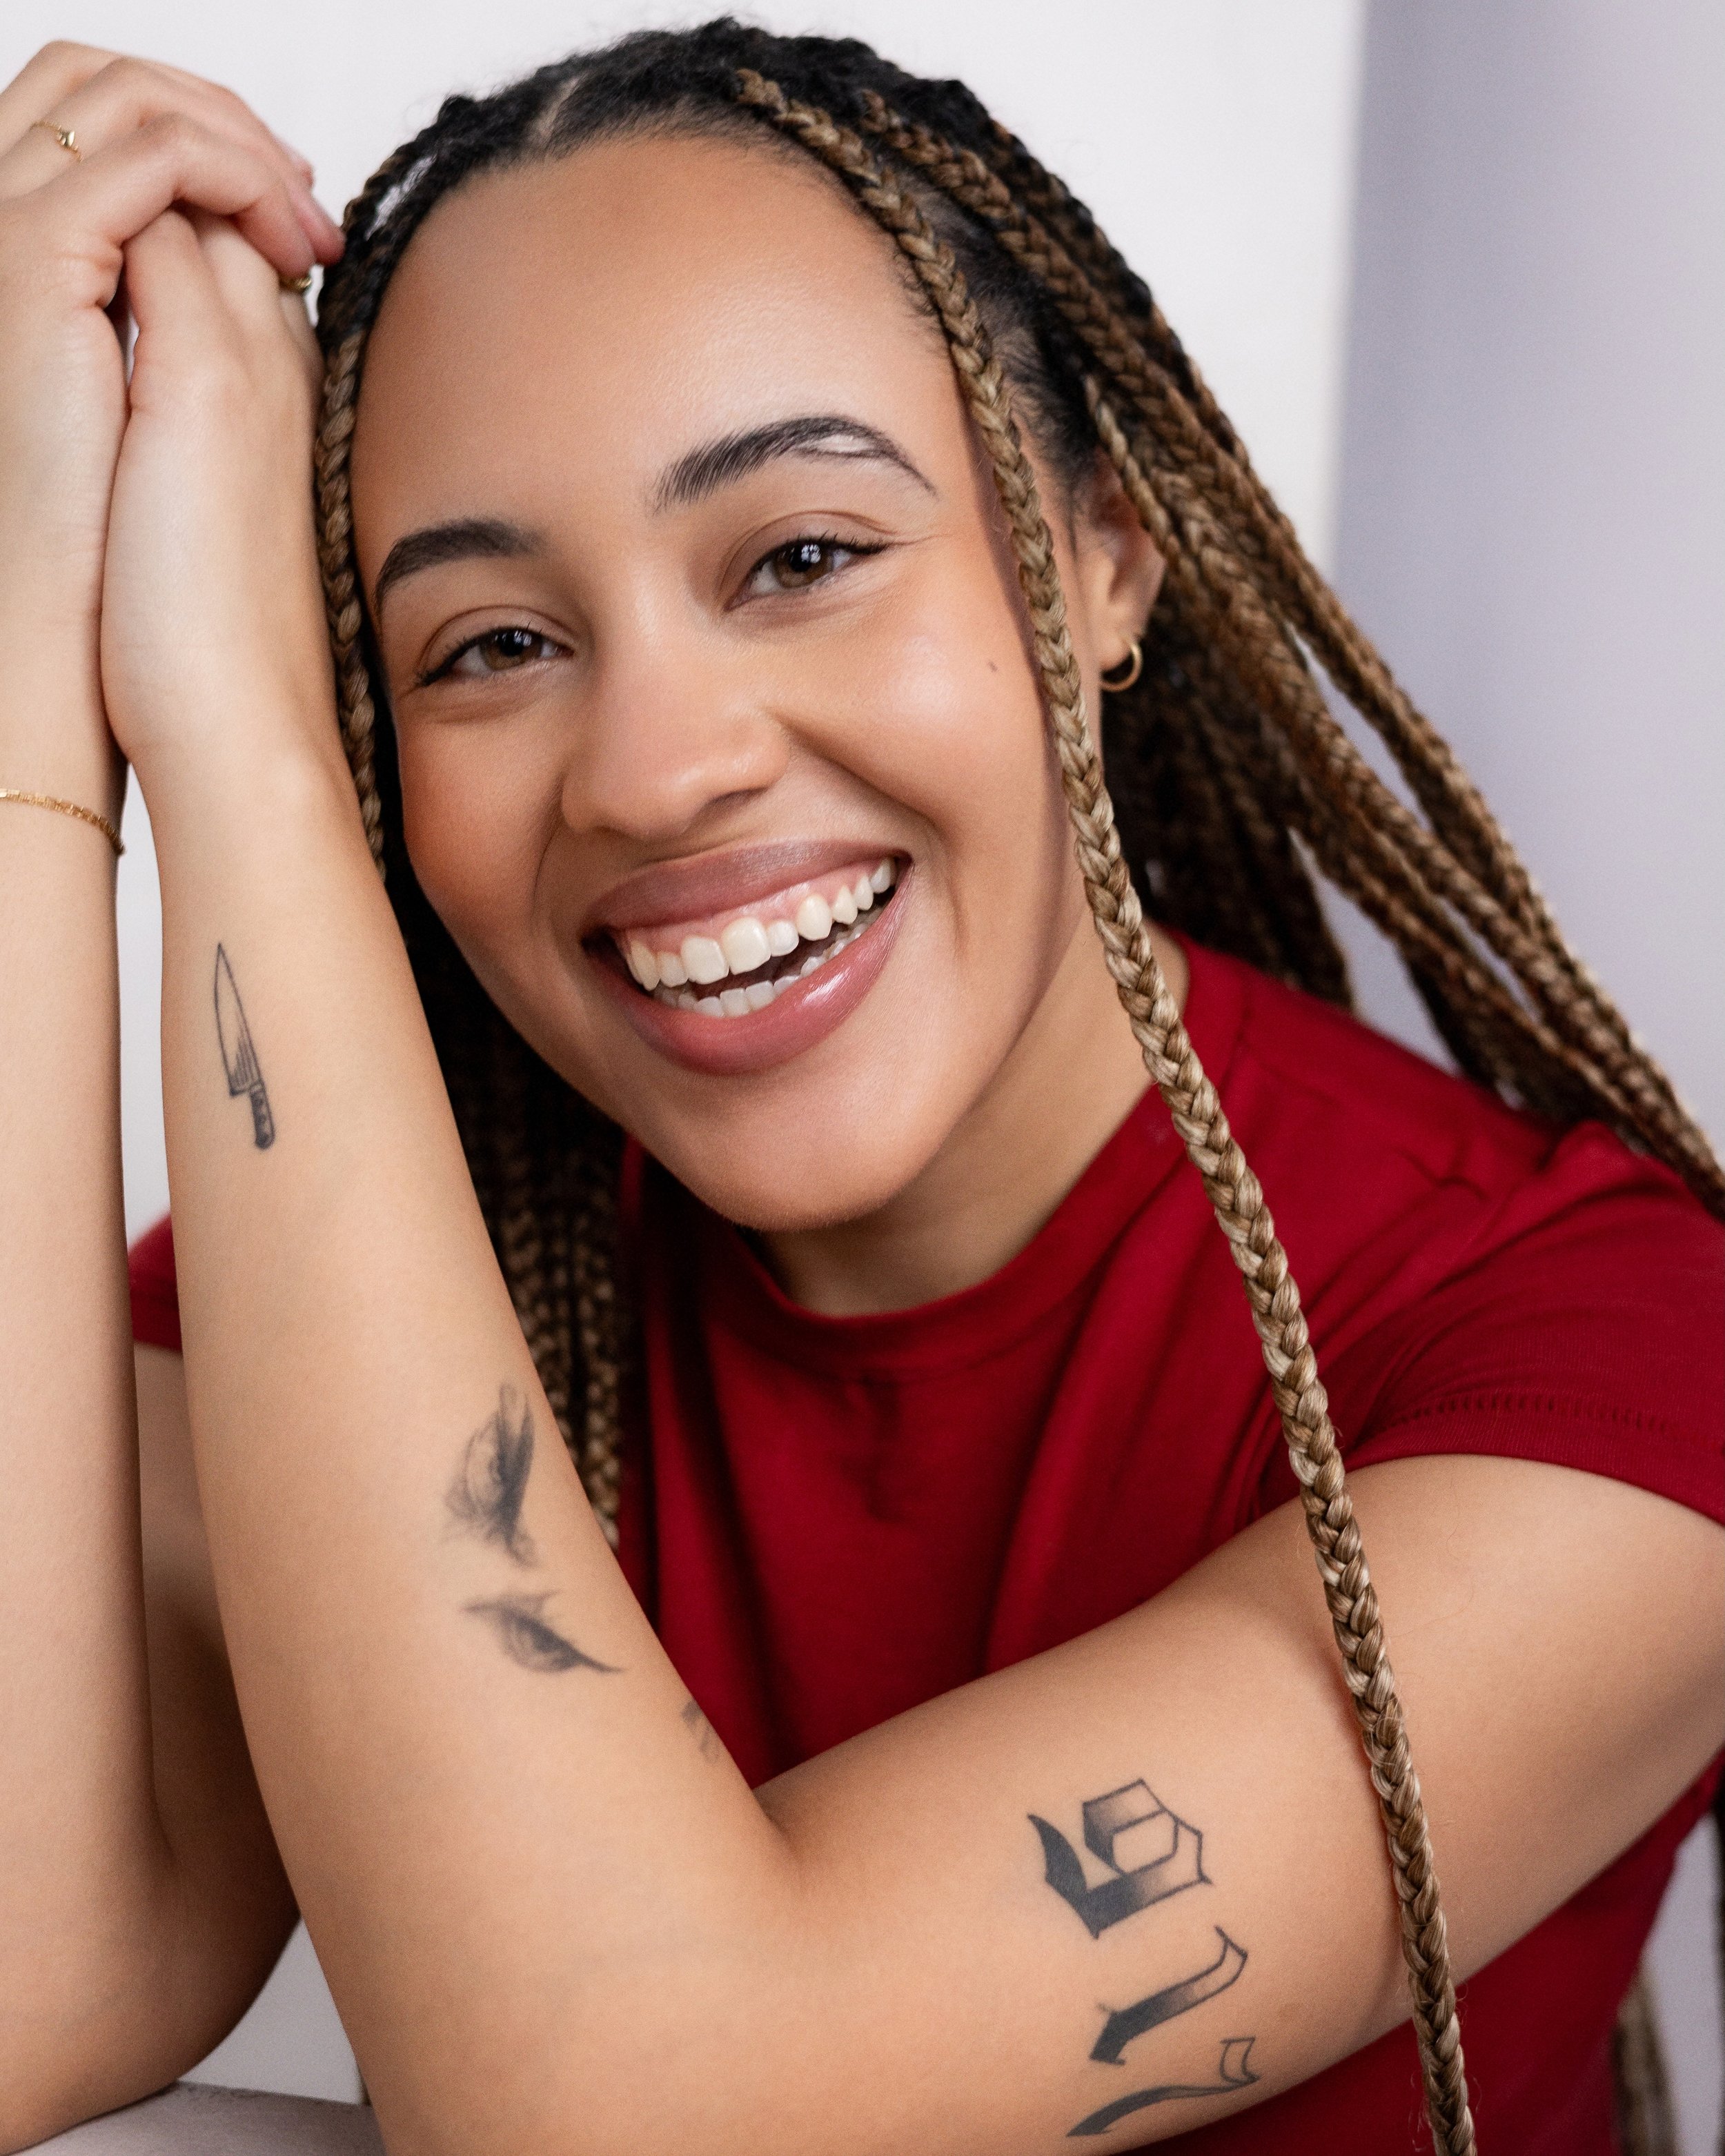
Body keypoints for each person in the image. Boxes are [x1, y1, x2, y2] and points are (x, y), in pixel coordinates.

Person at [0, 21, 1719, 2155]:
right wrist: (45, 707)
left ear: (1100, 558)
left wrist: (242, 741)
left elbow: (649, 2110)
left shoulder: (1625, 1361)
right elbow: (28, 1987)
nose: (653, 766)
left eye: (803, 555)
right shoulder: (376, 1278)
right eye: (485, 647)